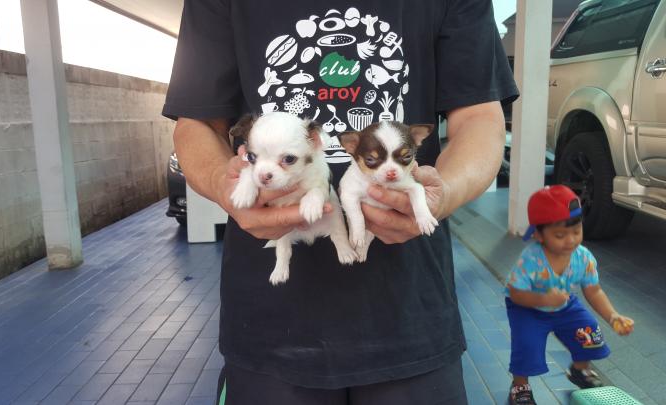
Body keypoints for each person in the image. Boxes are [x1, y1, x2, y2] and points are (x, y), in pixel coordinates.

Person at [163, 0, 518, 403]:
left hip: (411, 311)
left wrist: (444, 193)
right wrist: (222, 183)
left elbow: (479, 116)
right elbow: (197, 122)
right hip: (269, 322)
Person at [505, 185, 635, 405]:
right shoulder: (531, 260)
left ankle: (579, 370)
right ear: (538, 234)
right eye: (560, 235)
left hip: (564, 305)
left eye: (576, 231)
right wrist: (544, 299)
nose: (571, 240)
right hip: (527, 307)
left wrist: (613, 316)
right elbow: (516, 294)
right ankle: (520, 386)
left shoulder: (583, 257)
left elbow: (594, 290)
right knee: (526, 344)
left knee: (588, 331)